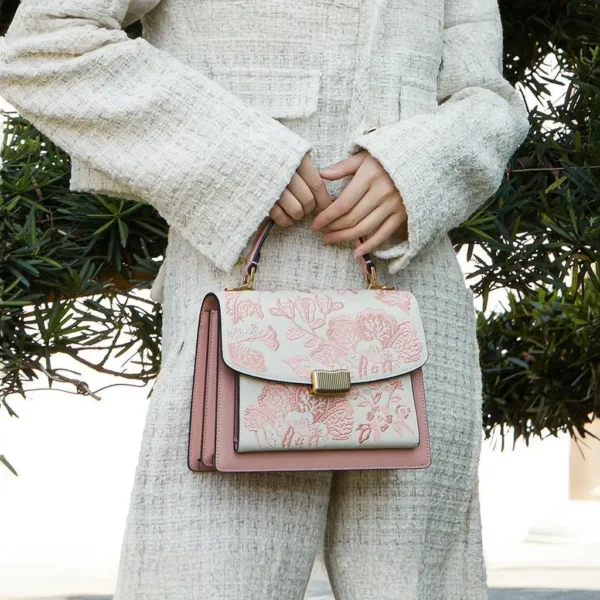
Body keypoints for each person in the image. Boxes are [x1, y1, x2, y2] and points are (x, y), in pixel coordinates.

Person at [0, 0, 529, 598]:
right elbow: (46, 40)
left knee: (421, 586)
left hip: (415, 316)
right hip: (240, 321)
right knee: (210, 581)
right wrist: (245, 159)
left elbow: (487, 99)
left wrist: (416, 167)